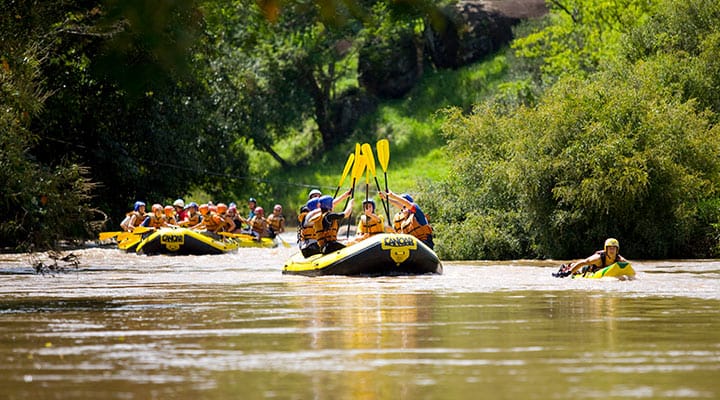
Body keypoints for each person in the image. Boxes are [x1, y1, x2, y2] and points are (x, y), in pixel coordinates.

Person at [553, 238, 628, 278]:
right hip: (590, 268)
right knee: (580, 269)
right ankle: (566, 267)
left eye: (614, 248)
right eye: (610, 248)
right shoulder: (598, 258)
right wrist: (568, 272)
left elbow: (629, 269)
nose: (612, 250)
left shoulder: (620, 260)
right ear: (606, 249)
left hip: (602, 270)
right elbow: (583, 262)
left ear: (617, 250)